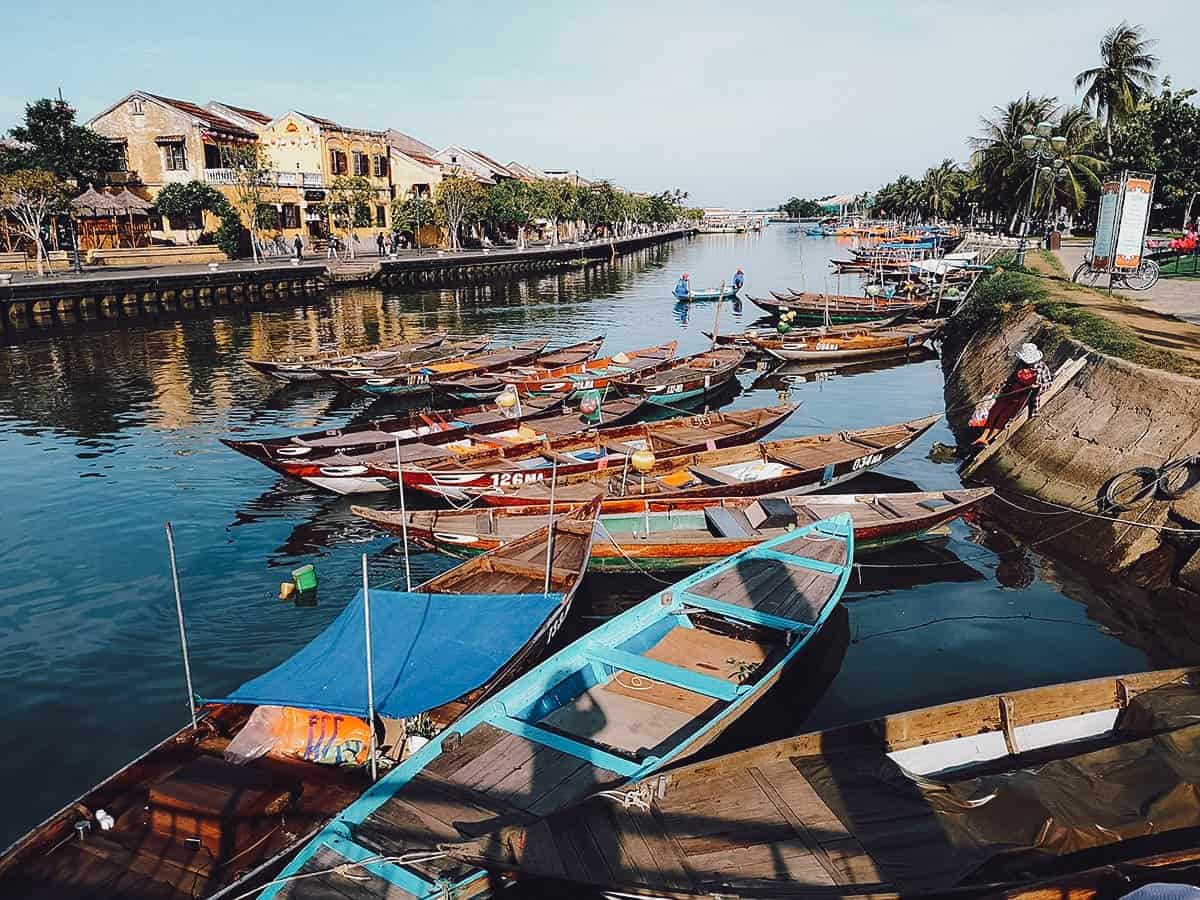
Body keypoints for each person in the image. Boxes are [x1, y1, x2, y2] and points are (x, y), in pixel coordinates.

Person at [971, 343, 1053, 448]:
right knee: (994, 412)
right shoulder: (1021, 364)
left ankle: (988, 439)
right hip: (1009, 391)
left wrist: (1038, 386)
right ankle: (983, 436)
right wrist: (1000, 386)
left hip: (1021, 397)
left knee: (1003, 417)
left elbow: (1048, 384)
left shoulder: (1041, 368)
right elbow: (1012, 377)